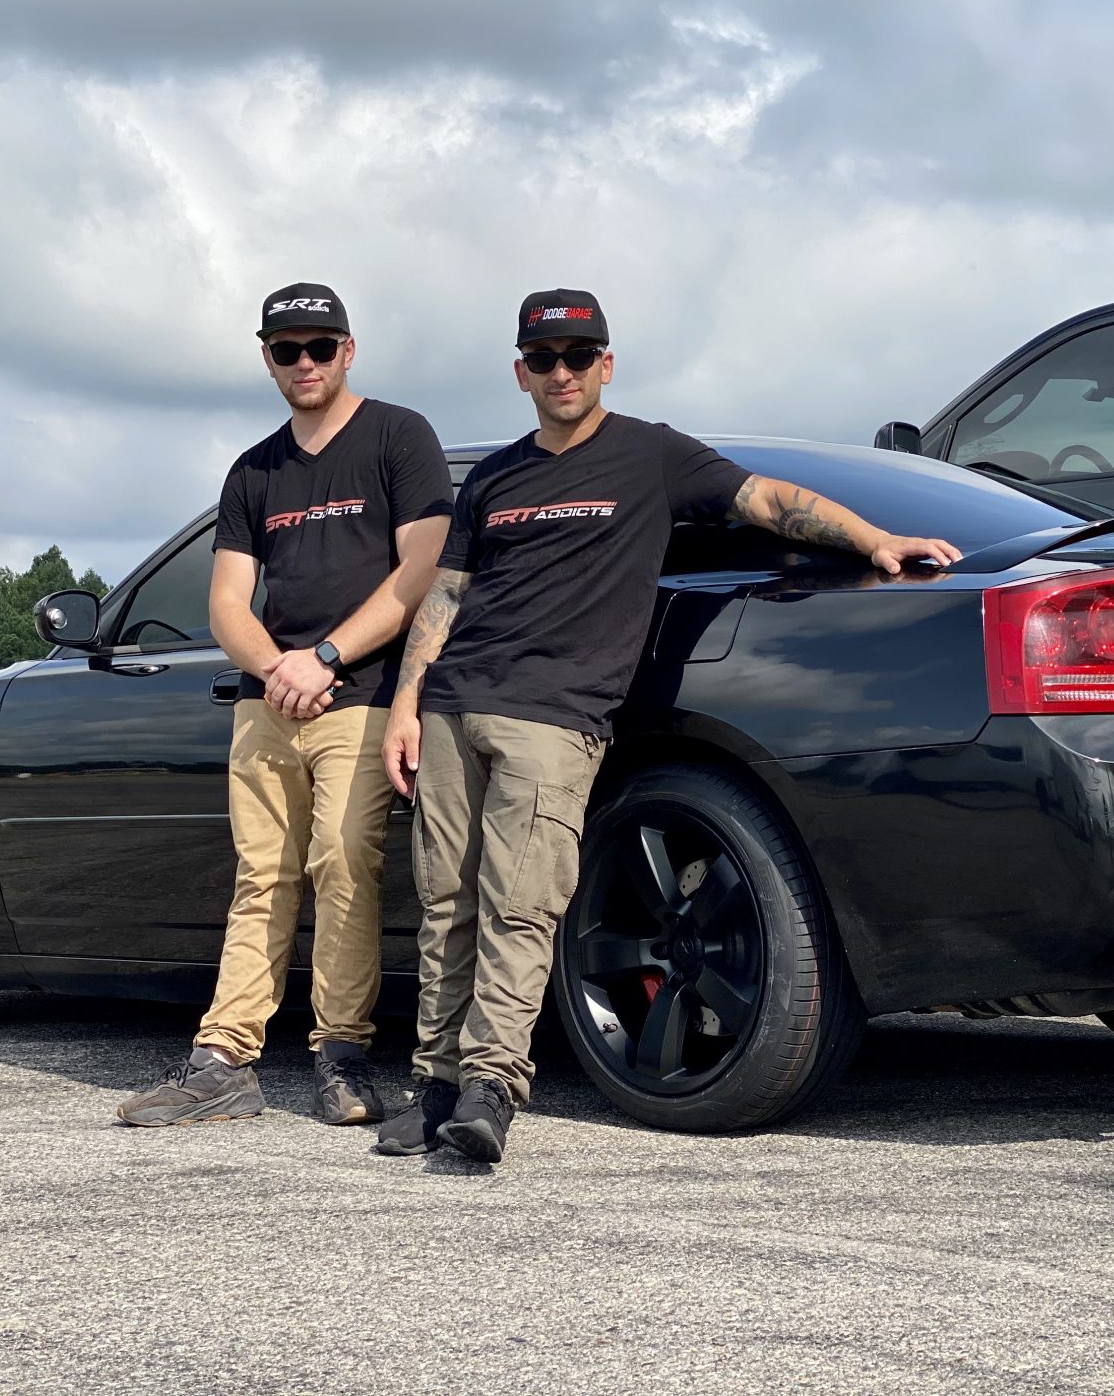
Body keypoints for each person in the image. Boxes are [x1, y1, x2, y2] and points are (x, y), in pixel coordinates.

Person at [373, 288, 959, 1162]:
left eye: (579, 357)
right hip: (455, 706)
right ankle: (436, 1087)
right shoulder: (493, 476)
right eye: (544, 360)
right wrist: (407, 704)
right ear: (520, 373)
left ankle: (492, 1087)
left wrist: (874, 539)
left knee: (521, 902)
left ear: (606, 364)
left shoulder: (651, 454)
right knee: (446, 905)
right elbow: (448, 594)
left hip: (554, 715)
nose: (562, 373)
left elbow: (766, 501)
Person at [117, 282, 453, 1128]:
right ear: (266, 358)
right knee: (260, 878)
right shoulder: (254, 469)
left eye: (319, 346)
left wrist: (329, 655)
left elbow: (421, 573)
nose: (303, 362)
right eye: (284, 349)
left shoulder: (398, 437)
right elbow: (228, 602)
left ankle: (340, 1057)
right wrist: (279, 669)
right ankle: (223, 1061)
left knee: (342, 867)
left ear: (348, 350)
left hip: (365, 695)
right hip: (270, 704)